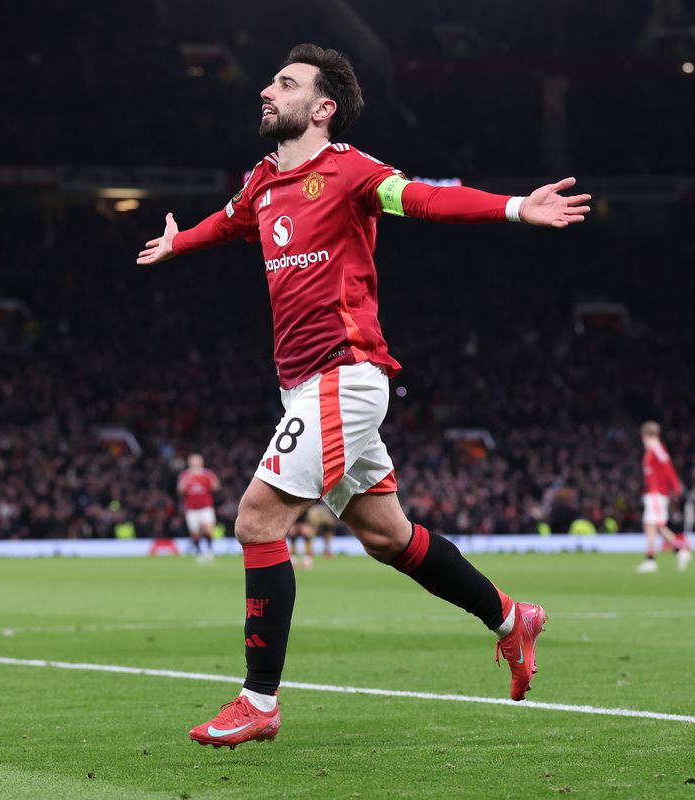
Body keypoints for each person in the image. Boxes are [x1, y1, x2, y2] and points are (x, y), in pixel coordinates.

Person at [136, 43, 590, 748]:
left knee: (257, 522)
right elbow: (228, 220)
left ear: (321, 108)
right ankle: (509, 616)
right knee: (388, 537)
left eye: (283, 84)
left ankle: (259, 701)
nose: (265, 90)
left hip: (344, 377)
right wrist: (179, 243)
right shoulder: (261, 182)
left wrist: (513, 209)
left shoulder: (350, 172)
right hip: (301, 388)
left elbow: (425, 198)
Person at [636, 421, 692, 572]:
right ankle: (680, 551)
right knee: (657, 526)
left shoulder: (657, 449)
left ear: (646, 435)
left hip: (656, 493)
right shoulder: (652, 451)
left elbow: (668, 469)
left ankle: (651, 560)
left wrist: (676, 487)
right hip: (654, 493)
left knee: (651, 524)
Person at [177, 454, 220, 565]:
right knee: (195, 533)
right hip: (192, 509)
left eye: (197, 461)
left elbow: (216, 487)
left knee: (207, 530)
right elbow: (180, 491)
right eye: (193, 461)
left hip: (206, 507)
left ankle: (209, 551)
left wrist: (212, 481)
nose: (195, 463)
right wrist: (184, 484)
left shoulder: (207, 474)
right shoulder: (185, 475)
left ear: (201, 462)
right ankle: (199, 552)